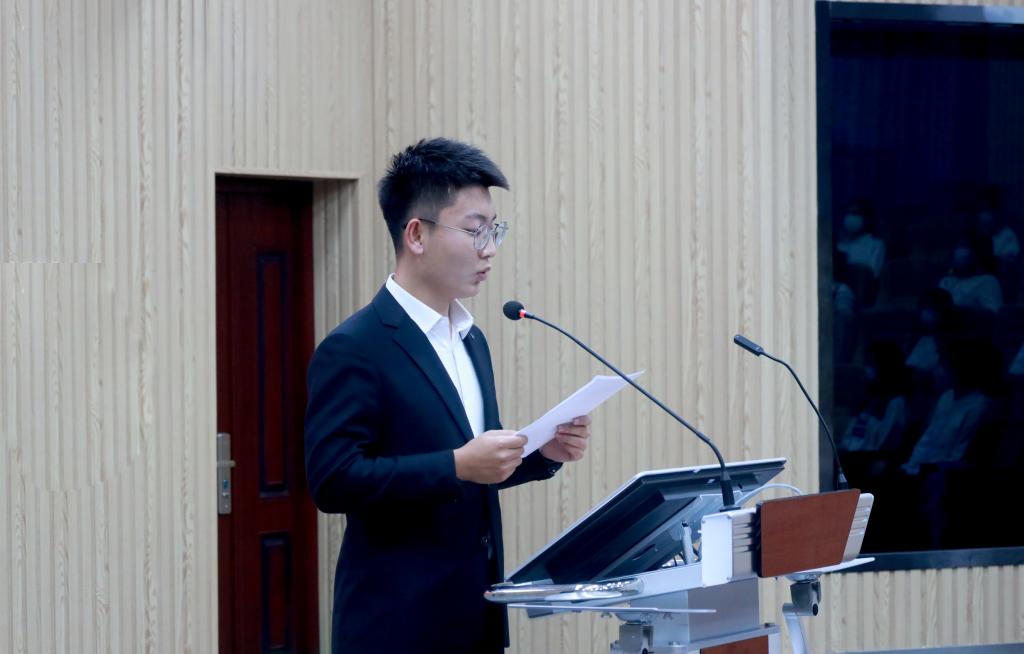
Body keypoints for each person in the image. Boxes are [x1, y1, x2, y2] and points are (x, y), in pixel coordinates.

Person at [304, 138, 592, 653]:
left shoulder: (471, 338)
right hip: (397, 626)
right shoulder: (355, 347)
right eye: (476, 230)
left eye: (494, 230)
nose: (490, 249)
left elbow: (474, 468)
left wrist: (541, 454)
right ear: (416, 234)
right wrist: (457, 465)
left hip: (476, 616)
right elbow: (334, 481)